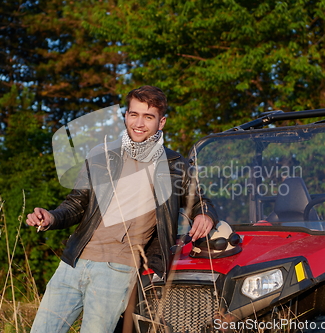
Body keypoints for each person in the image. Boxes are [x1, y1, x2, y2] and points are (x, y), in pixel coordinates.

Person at [26, 85, 218, 332]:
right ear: (126, 116)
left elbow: (201, 199)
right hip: (73, 263)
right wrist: (50, 217)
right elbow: (75, 204)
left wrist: (205, 214)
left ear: (161, 122)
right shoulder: (101, 155)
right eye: (134, 114)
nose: (139, 123)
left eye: (148, 117)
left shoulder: (174, 165)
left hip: (117, 270)